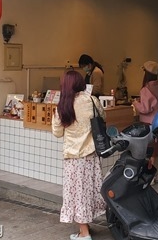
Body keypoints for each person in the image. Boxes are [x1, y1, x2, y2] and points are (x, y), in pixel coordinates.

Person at [52, 70, 107, 240]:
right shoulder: (92, 100)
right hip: (91, 156)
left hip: (73, 158)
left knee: (77, 194)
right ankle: (86, 227)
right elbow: (103, 117)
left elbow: (57, 132)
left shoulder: (63, 106)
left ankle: (84, 234)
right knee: (88, 192)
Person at [132, 61, 158, 174]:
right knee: (156, 149)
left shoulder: (145, 89)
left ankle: (150, 175)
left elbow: (145, 109)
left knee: (148, 151)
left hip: (147, 125)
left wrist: (135, 103)